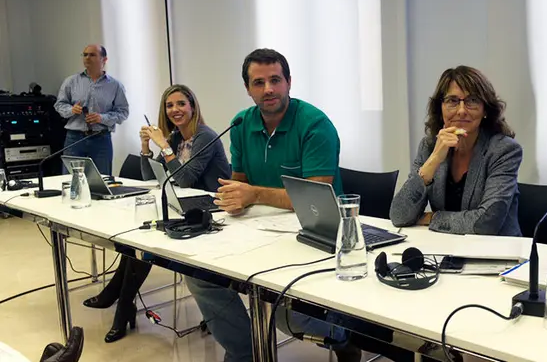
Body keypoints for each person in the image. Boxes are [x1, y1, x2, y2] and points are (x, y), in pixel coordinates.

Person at [184, 49, 358, 362]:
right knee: (198, 273)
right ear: (248, 89)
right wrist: (233, 197)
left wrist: (254, 194)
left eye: (275, 80)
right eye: (259, 82)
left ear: (289, 82)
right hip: (260, 229)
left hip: (316, 234)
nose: (269, 89)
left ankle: (343, 334)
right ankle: (244, 352)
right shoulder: (241, 122)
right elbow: (240, 181)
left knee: (278, 309)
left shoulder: (315, 124)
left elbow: (317, 196)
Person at [81, 84, 230, 343]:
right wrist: (146, 146)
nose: (175, 110)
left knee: (146, 242)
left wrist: (164, 145)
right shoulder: (174, 138)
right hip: (187, 206)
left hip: (215, 210)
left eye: (181, 103)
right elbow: (150, 176)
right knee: (138, 238)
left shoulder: (205, 136)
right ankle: (121, 301)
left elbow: (185, 179)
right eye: (169, 105)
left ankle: (120, 303)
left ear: (193, 107)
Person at [389, 66, 523, 236]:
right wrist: (434, 160)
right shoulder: (429, 146)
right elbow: (399, 216)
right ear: (441, 108)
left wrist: (433, 218)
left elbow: (487, 222)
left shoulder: (504, 150)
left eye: (472, 101)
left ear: (485, 110)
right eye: (452, 101)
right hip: (448, 251)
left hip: (497, 255)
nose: (461, 110)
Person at [54, 44, 129, 175]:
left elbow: (123, 112)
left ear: (104, 60)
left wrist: (102, 118)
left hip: (101, 139)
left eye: (92, 55)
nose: (87, 58)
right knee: (71, 181)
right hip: (74, 139)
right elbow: (59, 105)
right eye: (85, 54)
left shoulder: (115, 86)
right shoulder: (71, 82)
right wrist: (72, 110)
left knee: (102, 179)